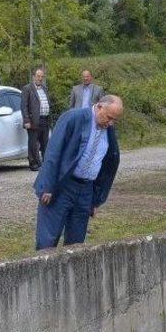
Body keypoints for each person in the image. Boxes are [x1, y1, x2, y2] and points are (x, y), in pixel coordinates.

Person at [34, 95, 123, 250]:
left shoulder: (108, 130)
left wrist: (96, 200)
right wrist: (48, 185)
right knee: (47, 241)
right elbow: (54, 151)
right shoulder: (74, 118)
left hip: (86, 190)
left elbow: (109, 164)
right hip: (62, 185)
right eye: (109, 118)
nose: (110, 123)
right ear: (100, 106)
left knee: (76, 245)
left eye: (114, 120)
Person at [21, 67, 51, 171]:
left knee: (45, 143)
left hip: (45, 119)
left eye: (42, 76)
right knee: (33, 143)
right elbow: (23, 106)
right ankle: (33, 164)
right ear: (33, 77)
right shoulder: (27, 88)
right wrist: (26, 121)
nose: (40, 78)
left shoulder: (44, 88)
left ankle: (44, 163)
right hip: (33, 120)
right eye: (38, 76)